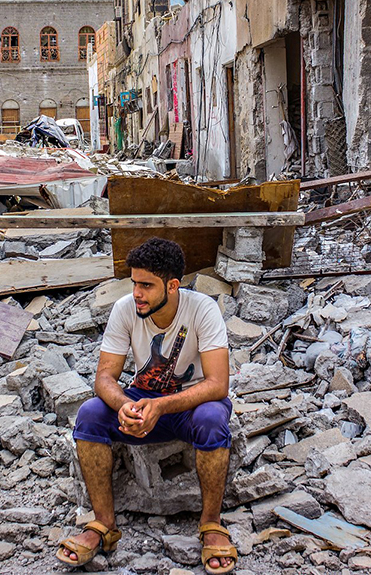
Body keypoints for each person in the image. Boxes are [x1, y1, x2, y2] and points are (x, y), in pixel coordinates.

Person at [55, 238, 237, 574]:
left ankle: (211, 524)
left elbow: (217, 384)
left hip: (191, 404)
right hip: (141, 399)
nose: (137, 292)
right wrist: (125, 405)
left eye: (146, 286)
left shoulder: (202, 310)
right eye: (134, 283)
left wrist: (162, 407)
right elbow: (104, 379)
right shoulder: (126, 309)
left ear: (172, 285)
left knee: (213, 418)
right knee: (91, 413)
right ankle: (103, 525)